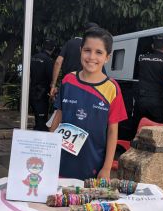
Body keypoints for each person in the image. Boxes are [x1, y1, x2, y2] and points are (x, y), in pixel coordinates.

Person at [50, 27, 127, 180]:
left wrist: (106, 168)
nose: (91, 57)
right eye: (87, 50)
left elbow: (112, 131)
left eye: (99, 52)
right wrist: (48, 148)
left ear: (107, 57)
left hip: (92, 164)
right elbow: (58, 115)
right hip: (60, 161)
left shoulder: (112, 89)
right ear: (81, 50)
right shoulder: (68, 80)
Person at [133, 33, 163, 133]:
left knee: (138, 130)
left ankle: (136, 148)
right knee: (154, 133)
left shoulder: (143, 59)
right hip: (156, 103)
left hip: (140, 101)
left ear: (153, 46)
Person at [49, 22, 99, 97]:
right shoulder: (96, 48)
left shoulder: (70, 43)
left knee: (63, 107)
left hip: (68, 84)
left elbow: (58, 62)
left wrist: (53, 85)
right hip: (86, 87)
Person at [29, 39, 55, 131]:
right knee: (42, 121)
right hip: (41, 93)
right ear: (53, 49)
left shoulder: (32, 57)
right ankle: (39, 141)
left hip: (31, 91)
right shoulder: (48, 60)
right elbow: (51, 78)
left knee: (37, 118)